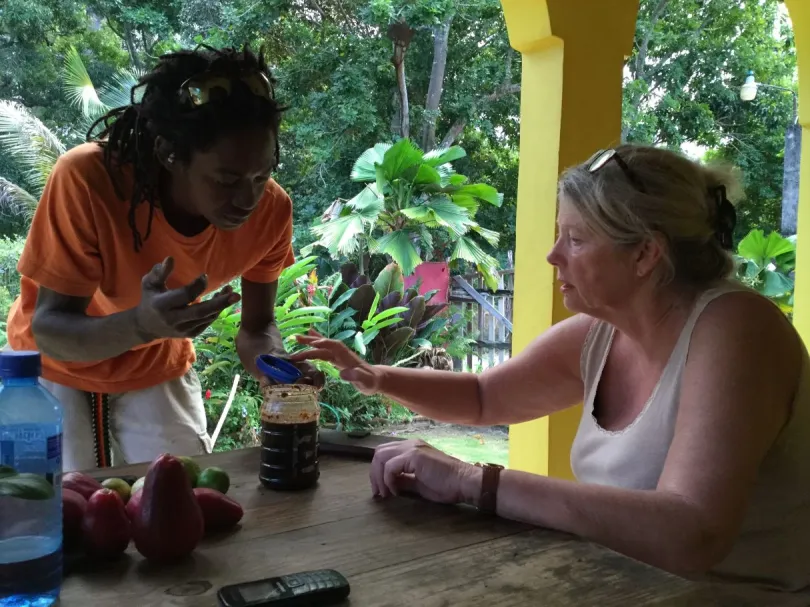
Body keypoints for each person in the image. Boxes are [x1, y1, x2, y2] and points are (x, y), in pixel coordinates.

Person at [291, 145, 810, 593]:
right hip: (619, 588)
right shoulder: (604, 333)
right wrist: (373, 376)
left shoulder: (736, 329)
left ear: (646, 253)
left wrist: (474, 481)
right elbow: (483, 397)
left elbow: (692, 533)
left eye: (576, 239)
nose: (552, 256)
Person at [6, 45, 321, 473]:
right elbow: (50, 328)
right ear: (169, 154)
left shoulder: (271, 211)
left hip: (156, 364)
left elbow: (258, 327)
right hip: (52, 368)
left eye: (261, 176)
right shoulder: (87, 179)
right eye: (226, 180)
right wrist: (141, 325)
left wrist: (276, 368)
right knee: (58, 514)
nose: (248, 198)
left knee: (188, 503)